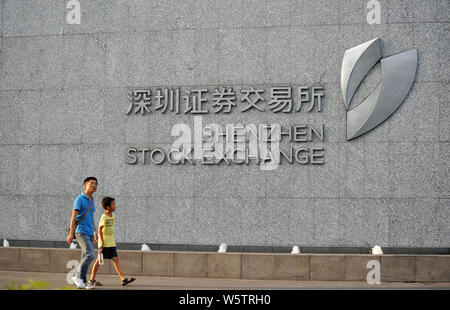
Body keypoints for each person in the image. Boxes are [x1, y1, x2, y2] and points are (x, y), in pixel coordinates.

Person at [89, 196, 136, 287]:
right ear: (107, 207)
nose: (115, 205)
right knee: (99, 261)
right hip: (105, 242)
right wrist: (101, 241)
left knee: (116, 259)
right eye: (113, 204)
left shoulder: (113, 216)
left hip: (111, 242)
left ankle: (123, 279)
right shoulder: (104, 216)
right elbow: (100, 229)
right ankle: (91, 279)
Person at [67, 177, 98, 289]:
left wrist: (95, 231)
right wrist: (71, 233)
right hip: (81, 232)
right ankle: (77, 276)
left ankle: (83, 282)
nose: (94, 185)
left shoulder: (92, 200)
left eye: (96, 184)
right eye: (91, 183)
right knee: (90, 254)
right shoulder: (79, 199)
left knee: (85, 256)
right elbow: (73, 217)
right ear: (85, 185)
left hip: (89, 232)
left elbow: (91, 217)